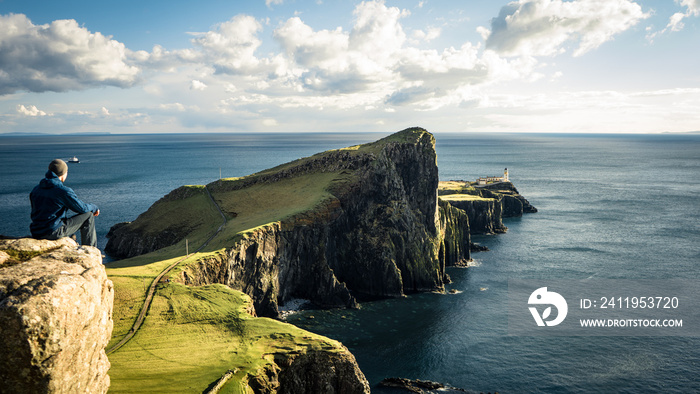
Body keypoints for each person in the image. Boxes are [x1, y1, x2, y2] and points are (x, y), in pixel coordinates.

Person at [30, 159, 100, 247]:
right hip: (52, 232)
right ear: (64, 174)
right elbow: (82, 209)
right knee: (88, 215)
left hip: (36, 232)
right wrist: (94, 207)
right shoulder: (62, 191)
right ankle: (90, 249)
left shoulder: (36, 189)